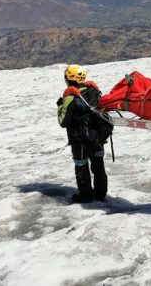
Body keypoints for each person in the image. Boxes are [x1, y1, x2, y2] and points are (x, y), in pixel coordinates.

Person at [56, 64, 108, 203]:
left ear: (68, 78)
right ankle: (100, 195)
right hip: (97, 137)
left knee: (81, 167)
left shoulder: (70, 98)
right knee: (99, 166)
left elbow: (63, 122)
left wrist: (60, 105)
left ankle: (85, 196)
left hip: (79, 140)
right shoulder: (94, 90)